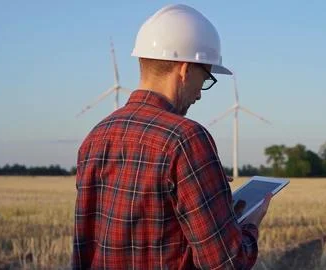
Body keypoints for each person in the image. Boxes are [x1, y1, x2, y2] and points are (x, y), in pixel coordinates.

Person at [73, 4, 272, 269]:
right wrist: (249, 226)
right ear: (185, 70)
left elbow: (84, 249)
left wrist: (200, 189)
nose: (200, 94)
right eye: (206, 78)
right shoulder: (186, 139)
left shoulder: (95, 137)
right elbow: (225, 262)